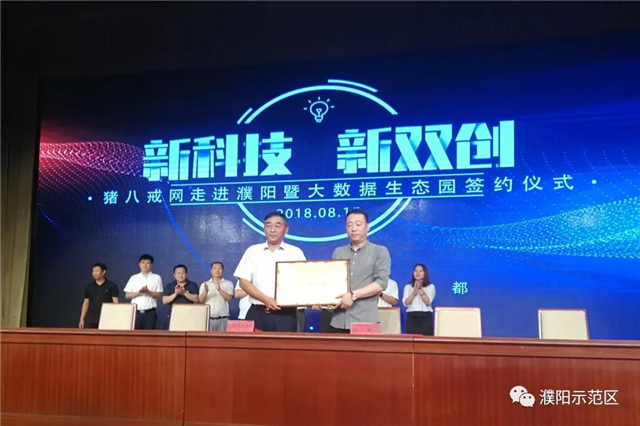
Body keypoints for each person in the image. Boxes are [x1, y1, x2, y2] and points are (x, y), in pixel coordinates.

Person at [234, 212, 306, 332]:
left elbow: (304, 282)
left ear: (286, 230)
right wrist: (265, 299)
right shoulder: (253, 251)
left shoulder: (295, 253)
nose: (272, 230)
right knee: (253, 344)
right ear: (264, 229)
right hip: (258, 313)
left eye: (277, 226)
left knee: (285, 345)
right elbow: (243, 282)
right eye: (268, 225)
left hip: (285, 315)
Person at [329, 209, 391, 333]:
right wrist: (321, 301)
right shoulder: (338, 252)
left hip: (365, 321)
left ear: (367, 227)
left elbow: (381, 283)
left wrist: (353, 295)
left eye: (358, 224)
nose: (354, 229)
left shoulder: (380, 251)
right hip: (338, 321)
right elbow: (332, 282)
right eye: (349, 225)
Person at [124, 254, 163, 329]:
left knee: (149, 335)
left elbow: (159, 294)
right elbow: (127, 295)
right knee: (135, 334)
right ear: (139, 264)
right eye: (143, 262)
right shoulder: (133, 278)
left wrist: (148, 292)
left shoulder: (157, 277)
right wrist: (139, 292)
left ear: (151, 265)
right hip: (136, 312)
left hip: (150, 313)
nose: (145, 265)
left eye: (148, 263)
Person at [78, 263, 120, 329]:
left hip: (108, 318)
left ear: (104, 272)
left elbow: (115, 302)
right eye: (93, 271)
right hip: (93, 319)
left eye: (97, 271)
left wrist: (117, 317)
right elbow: (86, 303)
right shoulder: (89, 287)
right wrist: (82, 319)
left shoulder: (111, 286)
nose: (94, 273)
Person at [402, 264, 436, 335]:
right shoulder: (408, 287)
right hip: (412, 317)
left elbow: (428, 302)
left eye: (420, 271)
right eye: (416, 271)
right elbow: (406, 303)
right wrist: (414, 292)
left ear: (425, 273)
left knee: (426, 340)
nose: (418, 273)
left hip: (426, 317)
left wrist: (420, 289)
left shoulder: (431, 287)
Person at [199, 261, 234, 331]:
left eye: (219, 268)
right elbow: (201, 301)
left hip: (223, 318)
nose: (217, 270)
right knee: (209, 338)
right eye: (215, 268)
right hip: (208, 318)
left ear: (223, 271)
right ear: (211, 271)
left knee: (223, 338)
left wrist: (219, 289)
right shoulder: (205, 284)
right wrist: (205, 291)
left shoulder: (228, 283)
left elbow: (230, 298)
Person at [162, 264, 199, 329]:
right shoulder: (169, 286)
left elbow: (196, 299)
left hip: (189, 315)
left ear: (186, 274)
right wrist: (176, 294)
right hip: (174, 316)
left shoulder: (192, 285)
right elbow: (164, 301)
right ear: (174, 275)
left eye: (183, 273)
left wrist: (184, 293)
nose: (181, 275)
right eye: (178, 273)